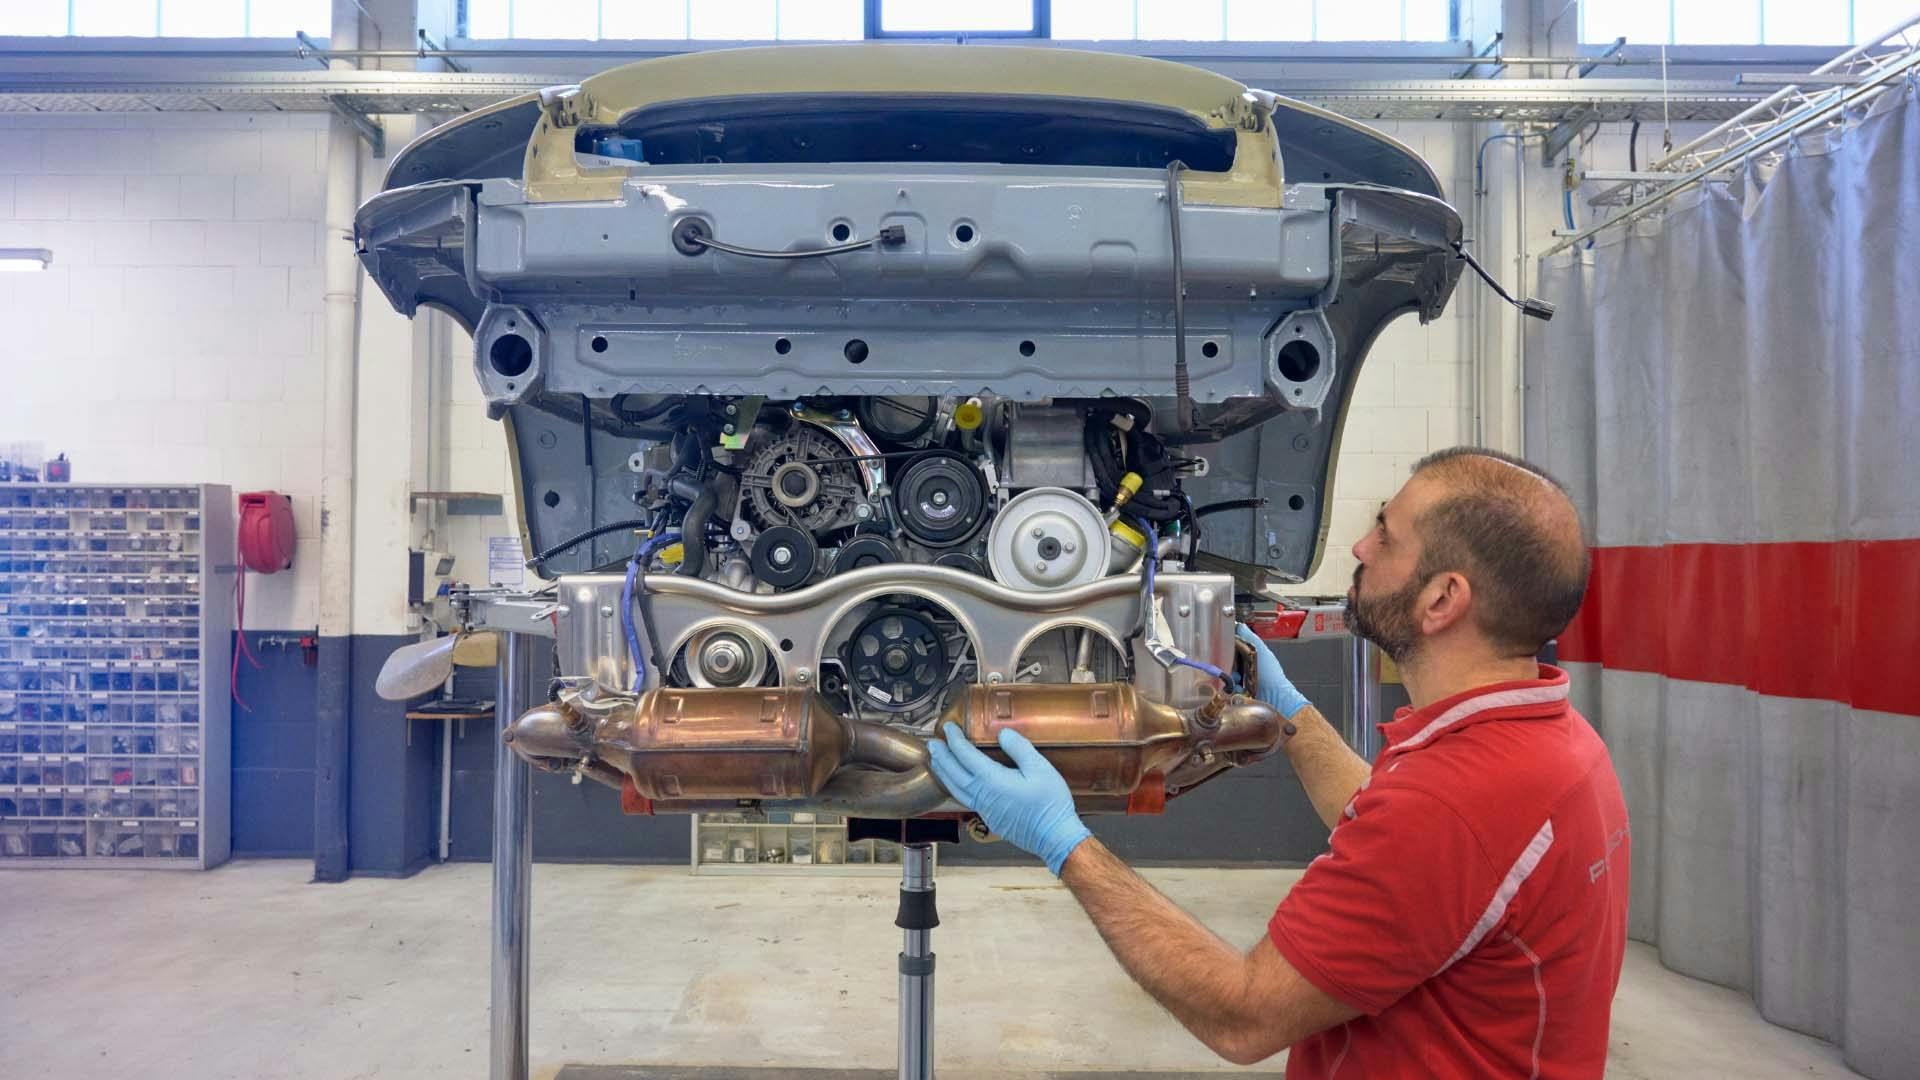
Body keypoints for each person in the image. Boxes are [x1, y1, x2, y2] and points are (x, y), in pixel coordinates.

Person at [927, 447, 1631, 1077]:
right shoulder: (1555, 744)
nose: (1360, 544)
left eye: (1385, 535)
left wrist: (1063, 842)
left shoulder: (1454, 805)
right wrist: (1287, 707)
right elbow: (1385, 823)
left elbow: (1243, 1016)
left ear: (1443, 599)